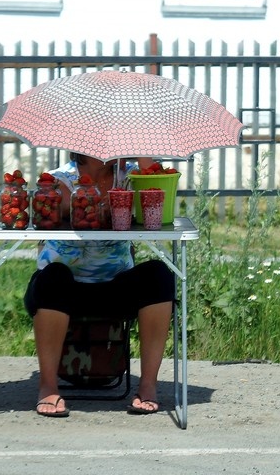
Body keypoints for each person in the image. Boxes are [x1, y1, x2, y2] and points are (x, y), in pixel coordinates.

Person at [24, 153, 175, 417]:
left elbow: (156, 200)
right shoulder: (60, 180)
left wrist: (144, 159)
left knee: (159, 275)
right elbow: (62, 206)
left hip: (114, 287)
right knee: (52, 277)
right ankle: (48, 386)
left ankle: (148, 386)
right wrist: (92, 204)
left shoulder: (130, 177)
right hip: (65, 289)